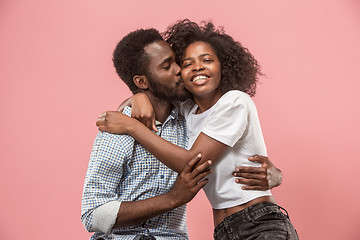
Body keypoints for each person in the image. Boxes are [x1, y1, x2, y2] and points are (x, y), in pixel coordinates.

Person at [97, 20, 298, 240]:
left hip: (259, 224)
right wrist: (139, 96)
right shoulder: (187, 110)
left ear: (224, 66)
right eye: (187, 63)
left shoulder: (235, 102)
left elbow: (193, 163)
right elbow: (158, 95)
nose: (198, 67)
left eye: (207, 60)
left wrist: (132, 127)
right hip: (224, 231)